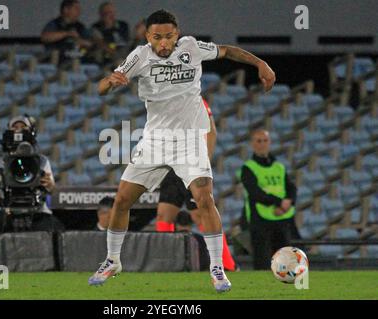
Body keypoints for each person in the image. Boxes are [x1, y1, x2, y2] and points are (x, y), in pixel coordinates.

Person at [88, 9, 275, 292]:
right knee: (122, 200)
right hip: (154, 141)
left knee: (204, 198)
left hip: (189, 140)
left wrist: (260, 63)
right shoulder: (139, 56)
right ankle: (112, 260)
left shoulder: (190, 47)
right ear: (147, 36)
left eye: (169, 36)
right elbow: (103, 86)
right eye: (157, 37)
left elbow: (228, 51)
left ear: (177, 34)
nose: (163, 43)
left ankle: (216, 268)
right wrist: (109, 83)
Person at [155, 98, 237, 271]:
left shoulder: (195, 100)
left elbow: (211, 131)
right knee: (164, 216)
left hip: (192, 164)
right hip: (171, 167)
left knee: (201, 216)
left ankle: (228, 265)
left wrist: (202, 162)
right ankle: (166, 263)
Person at [0, 116, 65, 236]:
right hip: (4, 211)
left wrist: (50, 186)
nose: (19, 131)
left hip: (36, 211)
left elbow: (52, 190)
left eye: (23, 127)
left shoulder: (41, 161)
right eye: (15, 127)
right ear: (9, 132)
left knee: (56, 228)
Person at [240, 129, 297, 270]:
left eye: (265, 140)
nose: (262, 144)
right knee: (262, 262)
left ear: (270, 142)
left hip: (281, 218)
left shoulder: (279, 166)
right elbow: (255, 193)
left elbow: (291, 188)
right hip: (260, 220)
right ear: (252, 144)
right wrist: (280, 202)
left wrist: (288, 203)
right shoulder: (248, 168)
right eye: (258, 141)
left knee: (285, 262)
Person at [41, 0, 94, 66]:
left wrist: (79, 40)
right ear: (66, 9)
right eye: (76, 8)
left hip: (76, 57)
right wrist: (67, 34)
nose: (79, 12)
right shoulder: (55, 23)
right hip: (58, 59)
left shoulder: (80, 26)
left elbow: (90, 43)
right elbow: (45, 37)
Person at [91, 2, 130, 66]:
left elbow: (128, 40)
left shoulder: (123, 25)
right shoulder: (96, 27)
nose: (108, 15)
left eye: (111, 12)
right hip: (107, 58)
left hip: (124, 54)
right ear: (101, 14)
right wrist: (107, 26)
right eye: (106, 13)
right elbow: (99, 42)